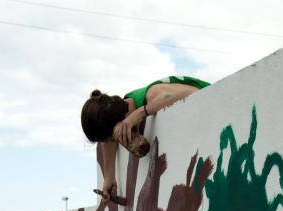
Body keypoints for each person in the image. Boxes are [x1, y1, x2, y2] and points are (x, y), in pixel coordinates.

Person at [81, 76, 210, 200]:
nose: (116, 141)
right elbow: (107, 141)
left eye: (113, 138)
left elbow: (194, 93)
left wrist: (142, 112)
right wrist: (109, 177)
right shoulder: (118, 114)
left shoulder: (148, 95)